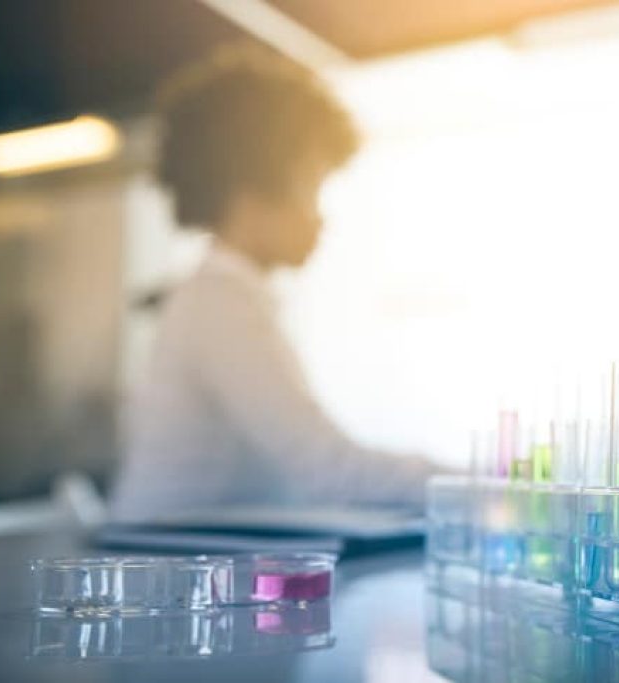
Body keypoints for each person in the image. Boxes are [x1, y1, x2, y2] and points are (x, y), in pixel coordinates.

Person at [110, 48, 438, 521]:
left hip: (185, 556)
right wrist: (479, 486)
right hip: (162, 569)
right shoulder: (219, 303)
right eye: (311, 187)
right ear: (253, 191)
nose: (320, 217)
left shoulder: (227, 296)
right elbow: (329, 471)